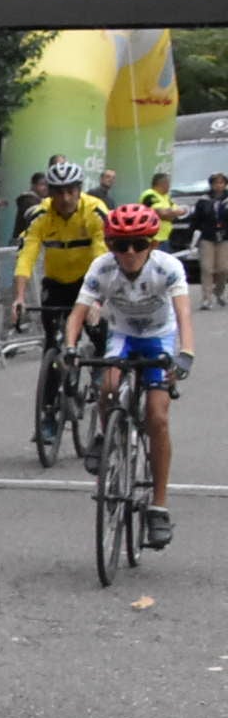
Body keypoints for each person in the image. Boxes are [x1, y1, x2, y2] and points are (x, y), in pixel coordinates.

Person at [66, 205, 195, 551]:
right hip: (122, 335)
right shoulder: (102, 267)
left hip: (159, 337)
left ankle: (158, 507)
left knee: (157, 417)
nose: (130, 252)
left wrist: (186, 353)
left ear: (152, 244)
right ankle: (105, 434)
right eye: (121, 245)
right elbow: (77, 314)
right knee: (108, 385)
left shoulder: (168, 267)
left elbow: (183, 314)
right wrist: (69, 348)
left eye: (139, 244)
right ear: (110, 245)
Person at [11, 160, 108, 356]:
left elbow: (102, 256)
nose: (65, 198)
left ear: (79, 190)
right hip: (56, 281)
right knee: (51, 340)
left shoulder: (95, 211)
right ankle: (52, 369)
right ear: (50, 193)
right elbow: (26, 256)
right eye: (59, 192)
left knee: (98, 334)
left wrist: (98, 299)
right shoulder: (40, 215)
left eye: (70, 191)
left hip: (87, 281)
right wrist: (19, 297)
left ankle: (99, 364)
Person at [191, 172, 228, 310]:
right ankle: (206, 298)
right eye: (216, 183)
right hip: (207, 237)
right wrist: (193, 236)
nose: (218, 185)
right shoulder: (203, 200)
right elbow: (196, 220)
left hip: (224, 238)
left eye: (221, 183)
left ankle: (219, 292)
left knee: (223, 268)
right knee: (206, 268)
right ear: (211, 185)